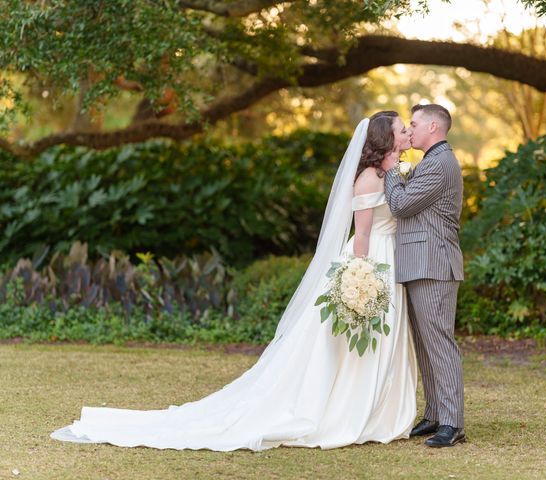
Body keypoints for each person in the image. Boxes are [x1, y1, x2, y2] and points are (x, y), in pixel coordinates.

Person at [50, 112, 418, 452]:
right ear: (386, 139)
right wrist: (363, 275)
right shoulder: (369, 178)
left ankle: (373, 408)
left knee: (379, 340)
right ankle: (347, 410)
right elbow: (364, 234)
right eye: (402, 129)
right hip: (370, 262)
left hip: (391, 257)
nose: (407, 133)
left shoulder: (395, 172)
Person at [383, 103, 465, 448]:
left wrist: (390, 172)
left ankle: (452, 423)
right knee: (425, 344)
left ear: (433, 127)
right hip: (419, 262)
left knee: (439, 343)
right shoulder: (430, 161)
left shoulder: (440, 164)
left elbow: (401, 205)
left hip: (434, 263)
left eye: (413, 124)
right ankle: (434, 413)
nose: (409, 130)